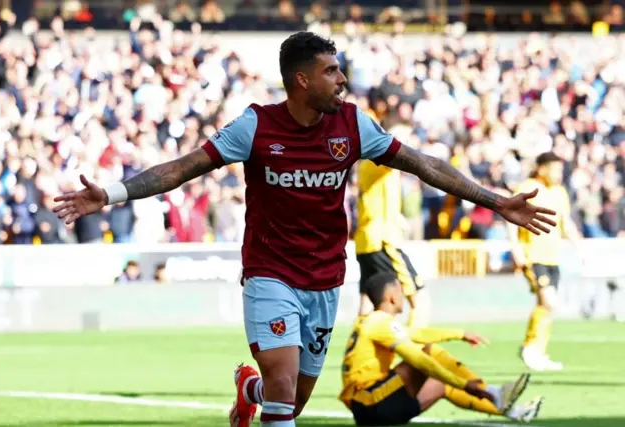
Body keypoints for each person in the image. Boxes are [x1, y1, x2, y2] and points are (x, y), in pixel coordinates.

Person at [53, 32, 557, 427]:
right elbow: (182, 168)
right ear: (301, 80)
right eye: (331, 71)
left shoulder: (355, 125)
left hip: (325, 278)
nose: (342, 80)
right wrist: (112, 193)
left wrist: (497, 201)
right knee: (283, 377)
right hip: (270, 272)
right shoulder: (255, 126)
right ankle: (263, 386)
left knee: (288, 402)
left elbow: (422, 164)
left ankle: (247, 389)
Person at [340, 272, 543, 426]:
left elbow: (418, 334)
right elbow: (420, 361)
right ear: (392, 296)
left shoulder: (371, 320)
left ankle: (510, 410)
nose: (404, 296)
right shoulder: (380, 323)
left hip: (370, 408)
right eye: (401, 291)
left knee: (442, 385)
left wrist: (460, 334)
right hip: (371, 403)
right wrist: (464, 384)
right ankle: (492, 392)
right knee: (429, 354)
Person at [507, 152, 582, 372]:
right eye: (555, 169)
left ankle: (537, 351)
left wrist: (580, 247)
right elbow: (511, 218)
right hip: (533, 255)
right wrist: (515, 247)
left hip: (553, 256)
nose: (559, 174)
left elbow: (565, 222)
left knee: (546, 306)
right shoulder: (527, 188)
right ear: (542, 169)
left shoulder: (560, 192)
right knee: (548, 301)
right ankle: (531, 348)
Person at [354, 155, 425, 328]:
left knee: (368, 302)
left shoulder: (367, 166)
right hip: (383, 240)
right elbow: (394, 155)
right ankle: (412, 349)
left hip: (366, 241)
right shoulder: (374, 163)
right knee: (419, 299)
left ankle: (358, 350)